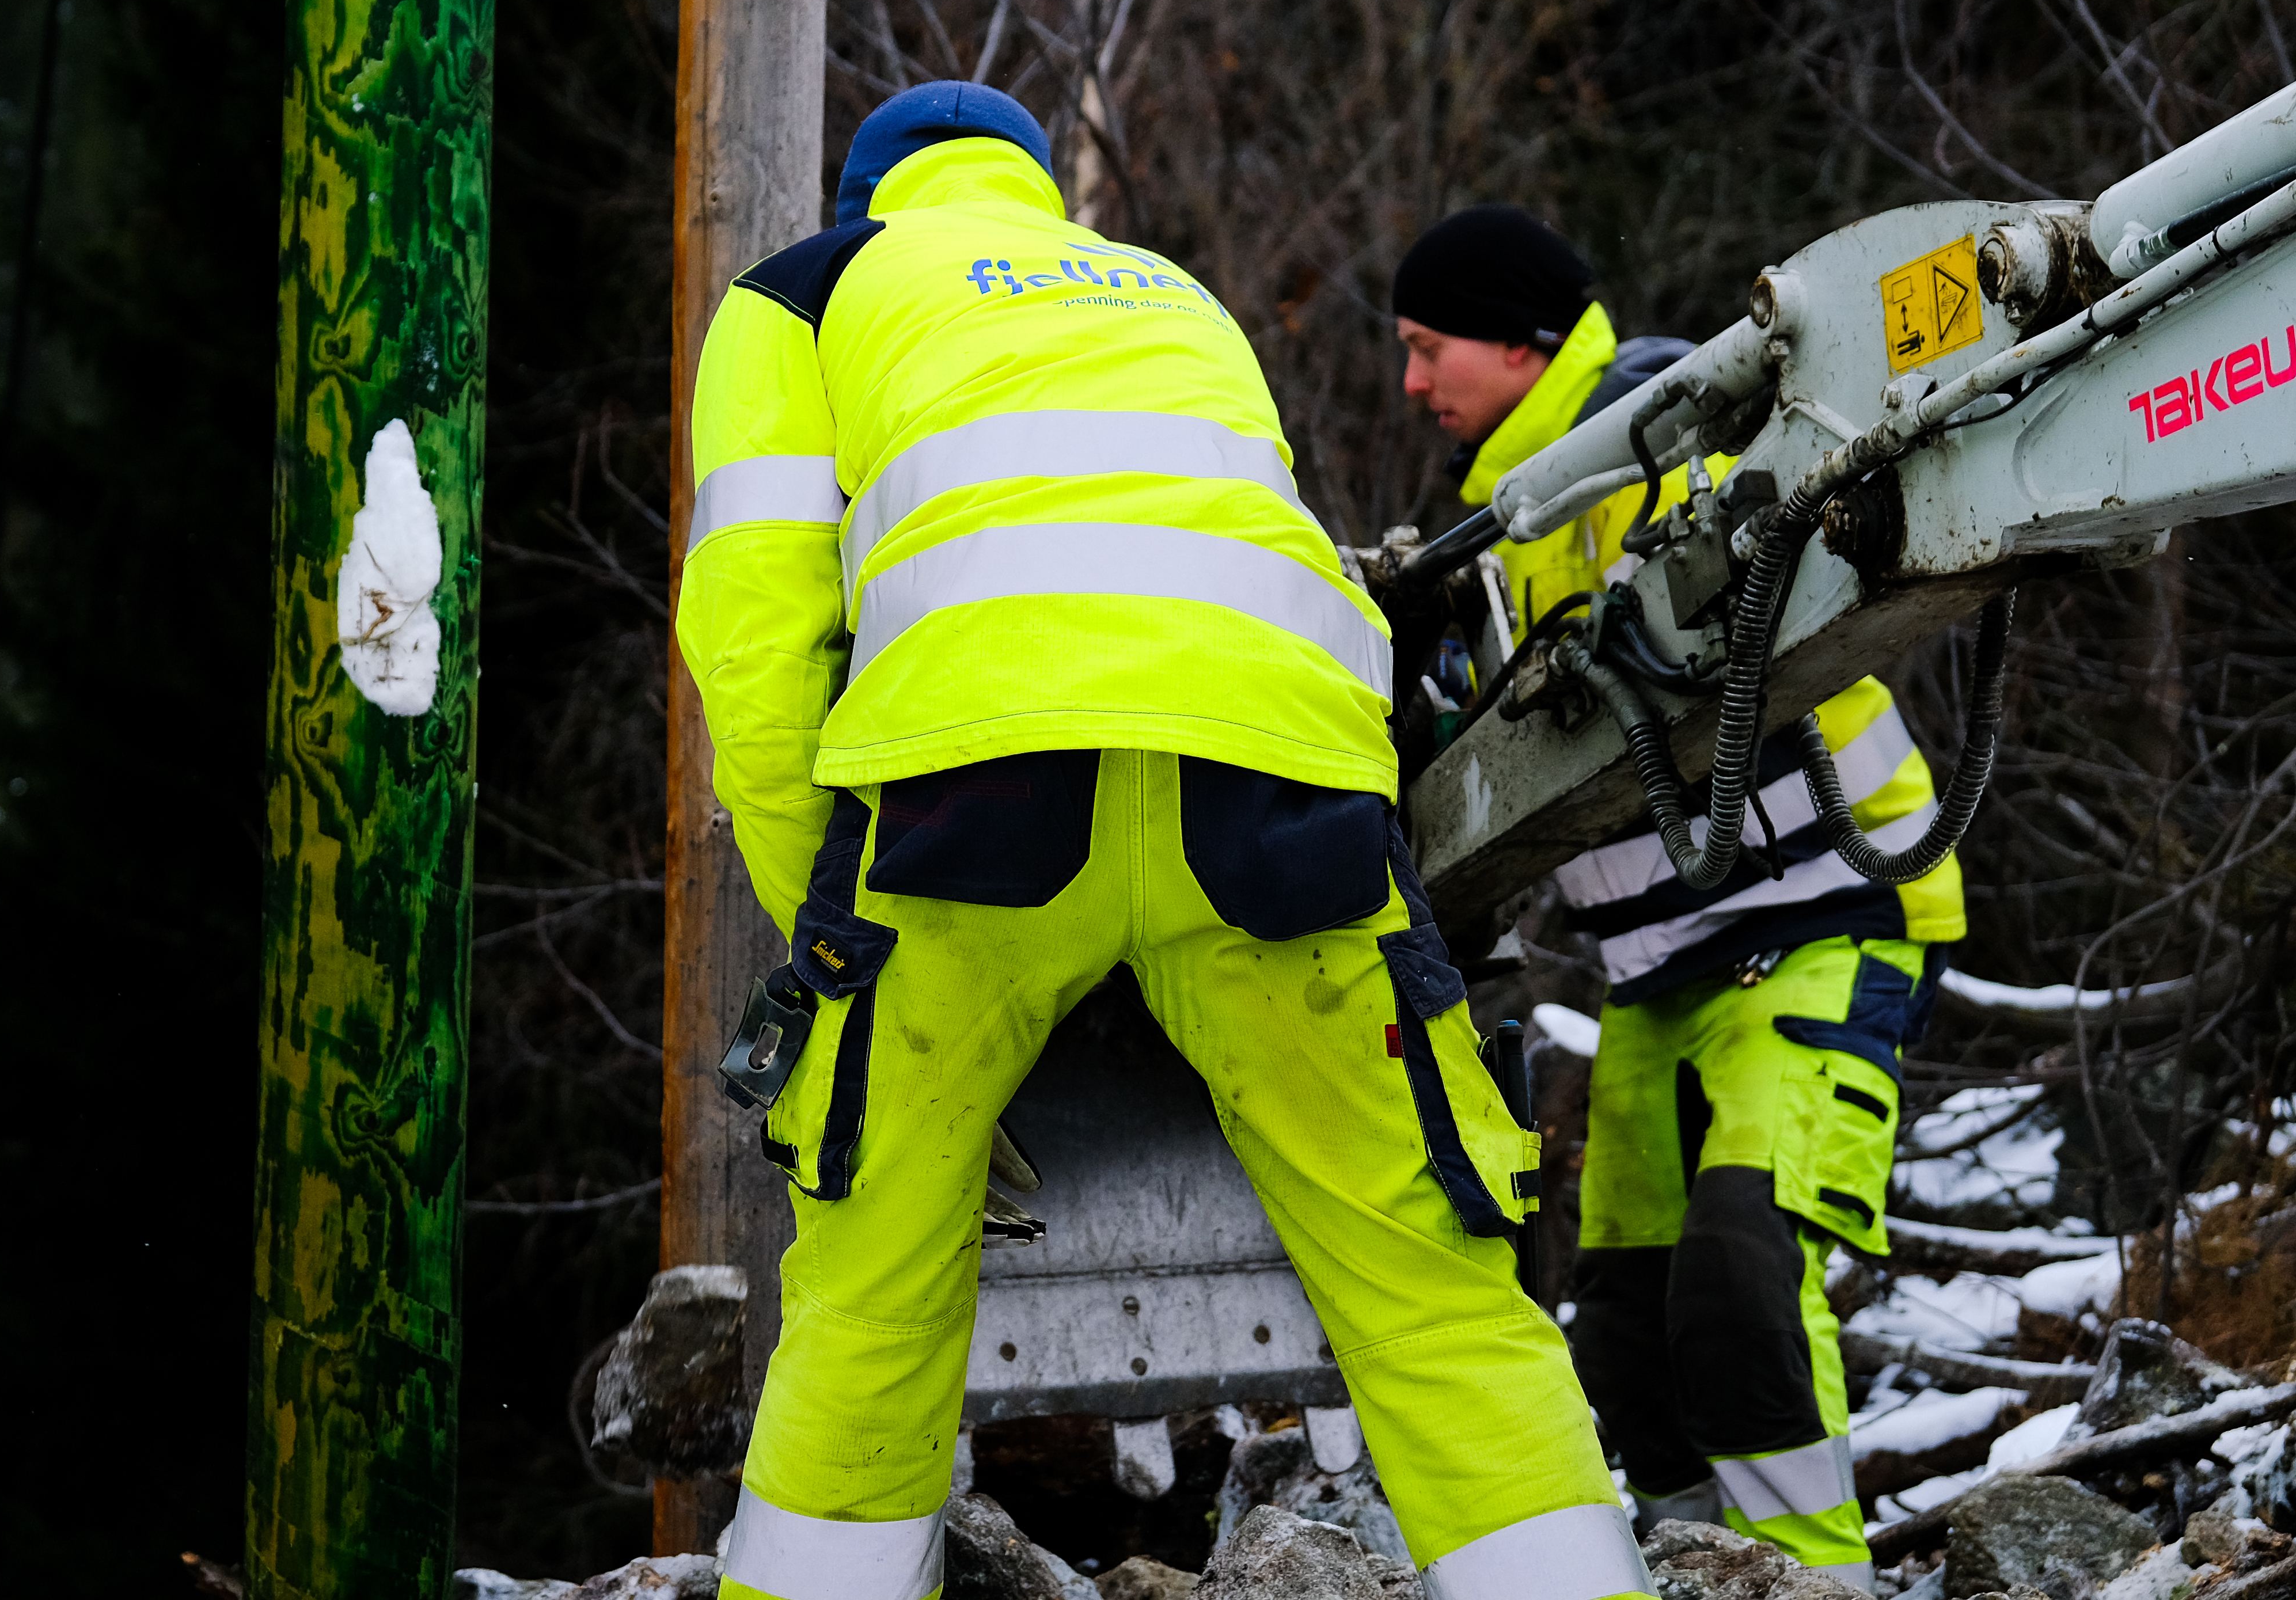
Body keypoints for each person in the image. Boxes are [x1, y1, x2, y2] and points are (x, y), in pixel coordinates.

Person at [678, 84, 1653, 1600]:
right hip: (1280, 790)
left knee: (868, 1309)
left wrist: (830, 945)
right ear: (1034, 192)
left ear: (877, 200)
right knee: (1441, 1292)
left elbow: (753, 644)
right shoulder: (1162, 288)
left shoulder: (806, 291)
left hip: (967, 801)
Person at [1392, 204, 1964, 1593]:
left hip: (1825, 913)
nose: (1412, 383)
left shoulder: (1659, 433)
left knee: (1741, 1274)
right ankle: (1701, 1566)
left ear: (1526, 344)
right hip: (1658, 976)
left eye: (1429, 346)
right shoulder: (1505, 532)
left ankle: (1812, 1578)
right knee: (1629, 1336)